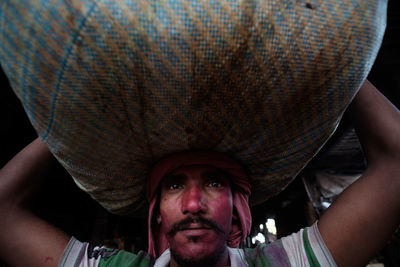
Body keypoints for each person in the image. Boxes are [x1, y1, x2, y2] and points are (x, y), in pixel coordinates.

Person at [0, 80, 399, 267]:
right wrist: (63, 128)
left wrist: (340, 69)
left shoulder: (287, 263)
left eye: (213, 183)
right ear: (156, 211)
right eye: (174, 186)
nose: (193, 205)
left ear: (238, 208)